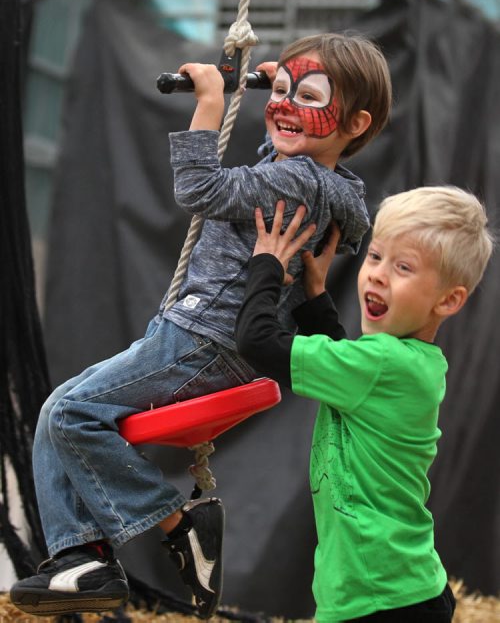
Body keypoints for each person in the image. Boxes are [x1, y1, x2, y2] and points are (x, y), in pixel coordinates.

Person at [10, 32, 392, 619]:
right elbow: (292, 164)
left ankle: (170, 522)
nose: (284, 105)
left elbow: (200, 189)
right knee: (63, 411)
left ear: (356, 122)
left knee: (69, 413)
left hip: (202, 338)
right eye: (282, 91)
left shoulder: (297, 181)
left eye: (309, 96)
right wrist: (289, 90)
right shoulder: (330, 184)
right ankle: (79, 557)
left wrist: (211, 103)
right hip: (206, 339)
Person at [235, 189, 495, 622]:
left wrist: (266, 263)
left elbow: (257, 342)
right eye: (374, 257)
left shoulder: (385, 363)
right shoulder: (407, 364)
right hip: (391, 593)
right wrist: (316, 293)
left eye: (404, 267)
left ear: (447, 301)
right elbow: (345, 365)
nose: (376, 275)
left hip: (384, 600)